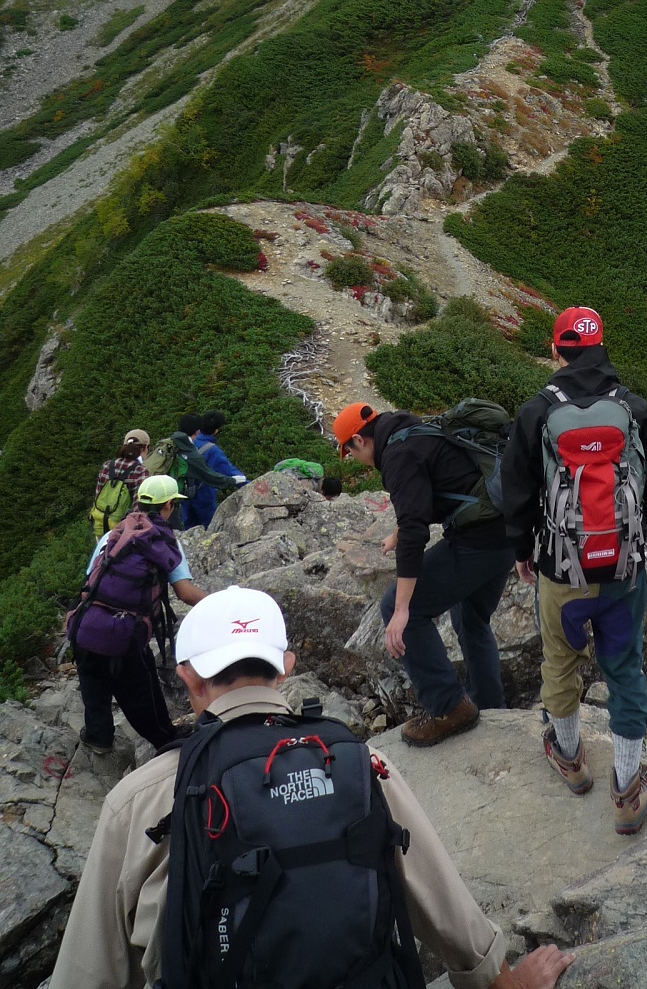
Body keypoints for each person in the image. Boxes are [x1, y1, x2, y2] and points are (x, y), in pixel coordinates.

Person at [49, 586, 573, 989]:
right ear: (286, 669)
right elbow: (441, 898)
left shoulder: (139, 800)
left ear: (187, 676)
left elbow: (88, 971)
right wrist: (504, 982)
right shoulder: (357, 761)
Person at [502, 306, 647, 834]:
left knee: (559, 663)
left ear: (556, 350)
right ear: (602, 346)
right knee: (624, 669)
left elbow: (518, 489)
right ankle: (627, 791)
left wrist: (521, 549)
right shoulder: (633, 408)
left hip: (561, 571)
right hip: (624, 572)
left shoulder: (537, 412)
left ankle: (571, 759)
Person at [335, 400, 516, 747]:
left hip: (479, 540)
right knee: (471, 616)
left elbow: (415, 530)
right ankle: (490, 706)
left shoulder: (397, 455)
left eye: (350, 452)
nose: (354, 459)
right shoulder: (411, 428)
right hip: (507, 534)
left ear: (358, 440)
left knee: (397, 607)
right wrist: (397, 533)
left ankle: (448, 708)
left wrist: (403, 608)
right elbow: (433, 489)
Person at [69, 474, 206, 753]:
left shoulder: (115, 533)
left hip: (86, 625)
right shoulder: (164, 542)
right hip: (125, 635)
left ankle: (98, 736)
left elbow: (89, 578)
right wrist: (223, 601)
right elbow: (185, 592)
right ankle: (166, 741)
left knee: (94, 682)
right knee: (139, 692)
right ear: (168, 505)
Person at [187, 408, 247, 527]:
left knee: (188, 530)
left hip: (185, 493)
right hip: (204, 495)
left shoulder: (189, 442)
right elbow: (229, 472)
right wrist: (252, 485)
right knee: (209, 529)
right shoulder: (212, 450)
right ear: (216, 430)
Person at [89, 427, 151, 538]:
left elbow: (98, 496)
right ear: (145, 447)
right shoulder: (141, 470)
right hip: (124, 531)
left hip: (101, 525)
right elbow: (138, 508)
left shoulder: (107, 465)